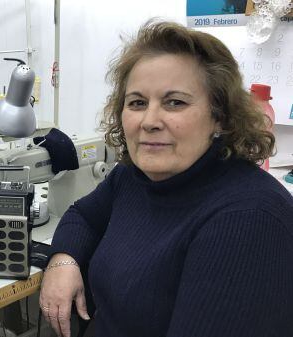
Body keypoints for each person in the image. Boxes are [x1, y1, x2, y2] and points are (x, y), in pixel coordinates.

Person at [39, 20, 293, 337]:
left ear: (220, 116)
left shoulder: (247, 218)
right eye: (137, 103)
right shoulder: (134, 177)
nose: (150, 121)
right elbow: (83, 215)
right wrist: (63, 261)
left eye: (175, 102)